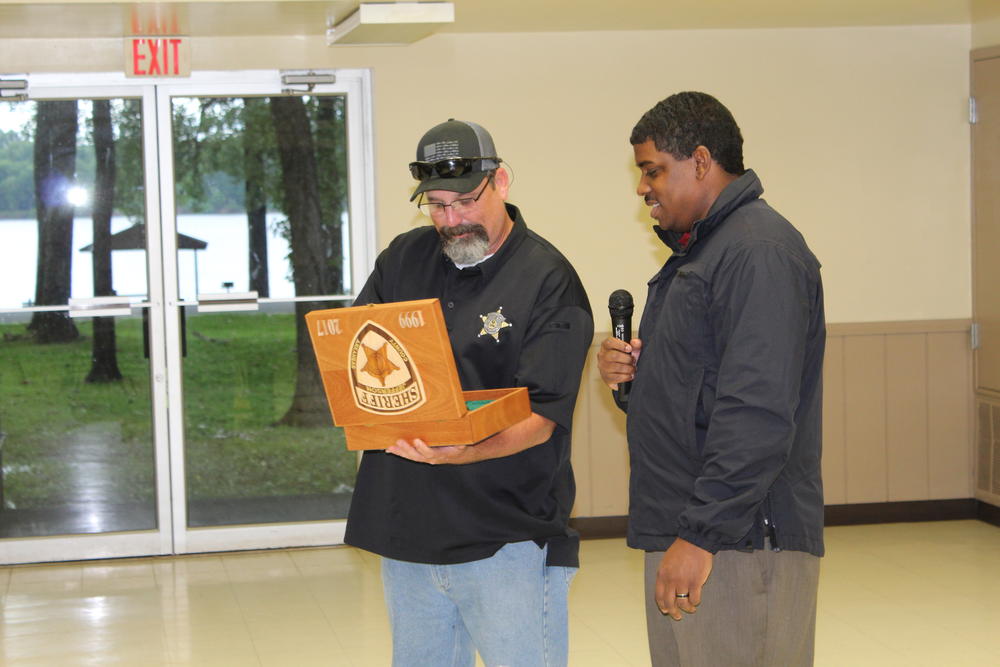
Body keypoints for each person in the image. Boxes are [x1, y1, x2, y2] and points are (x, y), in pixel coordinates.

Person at [344, 118, 594, 667]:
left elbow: (544, 415)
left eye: (464, 201)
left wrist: (468, 451)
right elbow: (357, 358)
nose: (451, 219)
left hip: (505, 537)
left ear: (501, 181)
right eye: (435, 205)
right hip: (408, 530)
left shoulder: (548, 279)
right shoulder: (403, 259)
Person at [597, 92, 826, 667]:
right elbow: (702, 394)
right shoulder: (704, 252)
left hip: (738, 544)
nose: (642, 188)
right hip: (694, 529)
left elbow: (757, 412)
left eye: (653, 171)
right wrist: (636, 380)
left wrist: (701, 536)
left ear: (700, 161)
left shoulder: (758, 252)